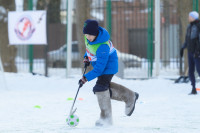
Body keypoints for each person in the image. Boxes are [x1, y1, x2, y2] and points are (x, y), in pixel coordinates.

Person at [79, 19, 139, 126]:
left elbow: (100, 69)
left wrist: (85, 78)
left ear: (96, 33)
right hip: (100, 66)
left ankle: (106, 118)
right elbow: (89, 49)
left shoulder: (103, 46)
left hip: (108, 67)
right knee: (103, 88)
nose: (88, 37)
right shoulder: (88, 38)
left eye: (90, 35)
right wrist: (86, 58)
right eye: (86, 34)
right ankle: (130, 96)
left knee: (100, 88)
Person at [180, 11, 200, 95]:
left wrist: (198, 51)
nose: (188, 18)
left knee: (199, 70)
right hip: (190, 52)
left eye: (190, 16)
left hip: (197, 53)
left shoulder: (198, 26)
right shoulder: (189, 27)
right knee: (190, 71)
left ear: (194, 17)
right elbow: (187, 39)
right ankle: (193, 88)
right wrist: (183, 47)